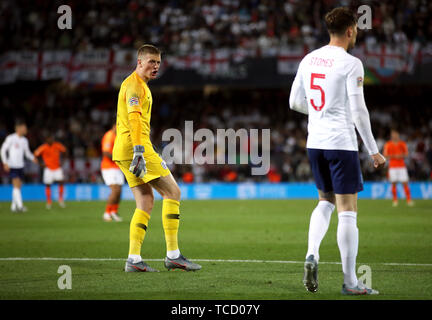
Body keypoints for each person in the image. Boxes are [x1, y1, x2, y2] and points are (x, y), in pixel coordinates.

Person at [289, 7, 386, 295]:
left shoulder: (308, 59)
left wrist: (319, 113)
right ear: (350, 31)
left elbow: (295, 101)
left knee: (325, 202)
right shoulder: (351, 63)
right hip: (341, 144)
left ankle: (312, 253)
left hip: (314, 143)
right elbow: (358, 111)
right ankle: (350, 282)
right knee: (348, 212)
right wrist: (374, 150)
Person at [112, 44, 201, 272]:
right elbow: (134, 120)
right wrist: (140, 151)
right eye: (151, 61)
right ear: (139, 62)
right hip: (135, 148)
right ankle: (173, 255)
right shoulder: (134, 85)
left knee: (145, 201)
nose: (156, 66)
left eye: (158, 62)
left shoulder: (138, 85)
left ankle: (133, 259)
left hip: (124, 150)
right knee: (173, 192)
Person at [0, 120, 38, 212]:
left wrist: (33, 158)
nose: (26, 130)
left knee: (17, 186)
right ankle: (20, 206)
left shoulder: (25, 140)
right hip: (12, 165)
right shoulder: (11, 138)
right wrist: (5, 162)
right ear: (19, 128)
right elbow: (2, 150)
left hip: (20, 165)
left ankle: (13, 206)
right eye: (24, 128)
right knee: (17, 185)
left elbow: (27, 152)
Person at [34, 134, 67, 209]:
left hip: (57, 167)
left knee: (61, 182)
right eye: (49, 139)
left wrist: (63, 161)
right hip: (48, 169)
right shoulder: (43, 147)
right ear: (46, 140)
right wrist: (41, 164)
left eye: (52, 139)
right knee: (48, 184)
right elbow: (35, 154)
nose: (51, 140)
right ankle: (49, 202)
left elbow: (65, 151)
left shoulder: (57, 145)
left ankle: (61, 200)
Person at [383, 129, 413, 207]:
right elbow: (385, 155)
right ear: (391, 136)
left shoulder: (402, 144)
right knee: (393, 183)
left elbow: (406, 154)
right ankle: (395, 200)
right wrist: (394, 156)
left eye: (396, 134)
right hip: (392, 167)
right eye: (393, 135)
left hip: (401, 166)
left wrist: (400, 156)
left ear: (398, 135)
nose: (394, 136)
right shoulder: (388, 144)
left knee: (405, 183)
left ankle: (409, 200)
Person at [101, 123, 124, 222]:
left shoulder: (118, 136)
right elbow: (105, 152)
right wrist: (118, 158)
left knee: (119, 191)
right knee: (115, 190)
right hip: (108, 167)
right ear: (114, 125)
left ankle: (114, 212)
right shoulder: (109, 136)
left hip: (117, 167)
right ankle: (106, 213)